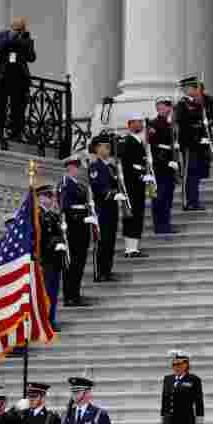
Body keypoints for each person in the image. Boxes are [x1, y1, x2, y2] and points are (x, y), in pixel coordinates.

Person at [176, 76, 213, 211]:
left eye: (189, 88)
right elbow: (182, 125)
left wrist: (211, 139)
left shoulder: (207, 102)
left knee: (198, 173)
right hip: (189, 144)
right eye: (186, 89)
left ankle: (194, 200)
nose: (187, 91)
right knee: (189, 173)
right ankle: (188, 201)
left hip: (203, 143)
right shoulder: (183, 104)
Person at [0, 17, 35, 147]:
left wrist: (22, 40)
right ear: (11, 26)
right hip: (3, 77)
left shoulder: (26, 39)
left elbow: (31, 57)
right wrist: (11, 38)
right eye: (16, 27)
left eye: (20, 28)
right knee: (0, 106)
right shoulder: (3, 35)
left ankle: (16, 133)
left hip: (19, 78)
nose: (18, 29)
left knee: (18, 109)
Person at [60, 156, 93, 307]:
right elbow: (65, 208)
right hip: (73, 228)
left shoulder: (80, 185)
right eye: (72, 167)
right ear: (68, 168)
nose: (75, 170)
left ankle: (76, 294)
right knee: (71, 264)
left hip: (82, 228)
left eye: (77, 167)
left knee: (79, 263)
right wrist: (81, 219)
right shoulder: (65, 184)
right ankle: (69, 296)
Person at [89, 133, 122, 282]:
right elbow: (97, 187)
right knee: (101, 241)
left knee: (110, 240)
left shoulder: (111, 167)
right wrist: (111, 193)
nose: (108, 149)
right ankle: (99, 272)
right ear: (97, 148)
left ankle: (107, 270)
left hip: (112, 208)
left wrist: (119, 191)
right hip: (101, 208)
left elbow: (116, 184)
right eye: (105, 146)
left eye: (109, 147)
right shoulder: (95, 166)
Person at [118, 115, 151, 259]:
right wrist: (140, 175)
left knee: (138, 215)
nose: (140, 124)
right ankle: (129, 249)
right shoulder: (127, 141)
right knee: (131, 215)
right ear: (129, 125)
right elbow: (126, 166)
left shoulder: (140, 141)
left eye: (141, 122)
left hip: (139, 184)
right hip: (131, 185)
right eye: (137, 122)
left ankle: (134, 248)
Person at [36, 184, 67, 331]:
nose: (51, 199)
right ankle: (43, 321)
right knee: (46, 292)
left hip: (55, 260)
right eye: (48, 196)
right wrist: (55, 243)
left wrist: (61, 242)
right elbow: (38, 238)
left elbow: (58, 235)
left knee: (53, 292)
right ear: (40, 198)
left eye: (51, 196)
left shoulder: (53, 215)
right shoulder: (37, 215)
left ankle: (51, 319)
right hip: (45, 259)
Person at [148, 98, 180, 236]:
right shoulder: (153, 124)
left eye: (166, 106)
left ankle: (166, 224)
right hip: (158, 167)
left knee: (167, 197)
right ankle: (159, 226)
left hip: (169, 166)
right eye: (160, 106)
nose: (163, 108)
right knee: (158, 198)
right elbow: (153, 148)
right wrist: (165, 162)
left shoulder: (171, 124)